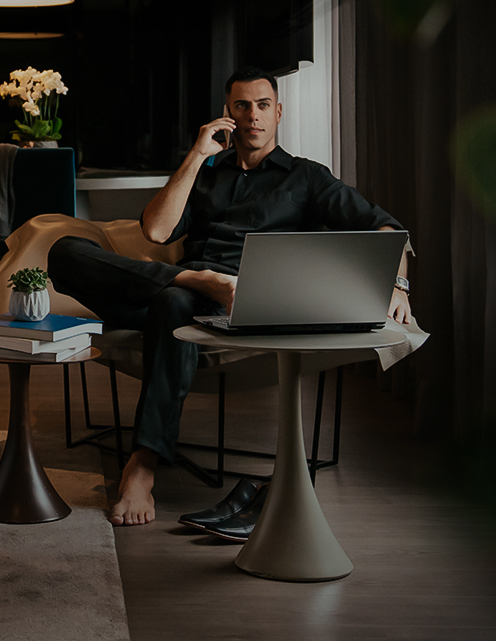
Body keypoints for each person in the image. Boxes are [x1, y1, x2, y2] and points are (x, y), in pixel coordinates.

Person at [47, 67, 411, 529]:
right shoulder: (206, 172)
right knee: (63, 252)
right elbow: (157, 230)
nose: (253, 115)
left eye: (262, 106)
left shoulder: (306, 178)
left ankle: (142, 465)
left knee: (174, 305)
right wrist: (197, 156)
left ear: (278, 113)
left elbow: (387, 229)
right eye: (242, 106)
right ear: (228, 115)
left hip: (232, 305)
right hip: (175, 286)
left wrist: (398, 286)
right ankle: (196, 279)